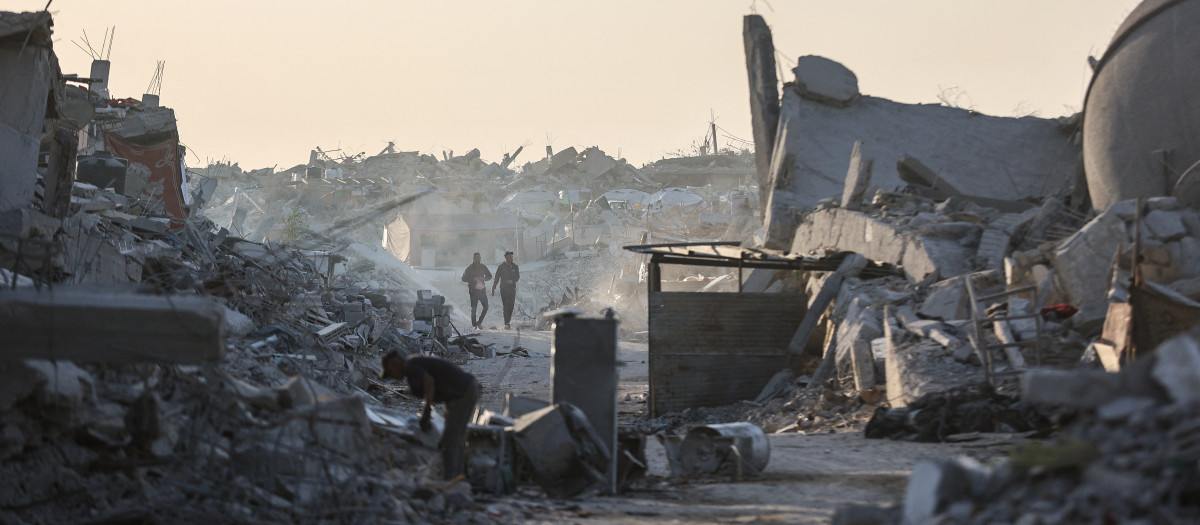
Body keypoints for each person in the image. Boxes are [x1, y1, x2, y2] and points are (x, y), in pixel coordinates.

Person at [380, 351, 480, 480]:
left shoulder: (410, 366)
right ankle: (460, 475)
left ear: (394, 364)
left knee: (450, 441)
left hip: (462, 393)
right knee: (453, 439)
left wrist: (426, 410)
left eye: (390, 372)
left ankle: (451, 479)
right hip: (464, 390)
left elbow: (429, 382)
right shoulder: (413, 363)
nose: (392, 377)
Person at [460, 252, 492, 329]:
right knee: (474, 309)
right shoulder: (469, 268)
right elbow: (463, 278)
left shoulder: (483, 266)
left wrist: (483, 278)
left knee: (486, 307)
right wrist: (473, 279)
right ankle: (474, 325)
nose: (478, 259)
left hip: (482, 291)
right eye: (477, 257)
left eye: (479, 257)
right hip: (473, 291)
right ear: (473, 258)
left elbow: (490, 276)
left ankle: (479, 322)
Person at [492, 250, 520, 330]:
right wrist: (493, 287)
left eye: (511, 257)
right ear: (506, 258)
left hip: (512, 289)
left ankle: (508, 321)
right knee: (506, 305)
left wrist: (513, 280)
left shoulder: (515, 266)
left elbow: (518, 276)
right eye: (509, 257)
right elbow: (497, 278)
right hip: (504, 289)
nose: (511, 258)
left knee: (511, 306)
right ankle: (506, 323)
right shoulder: (501, 267)